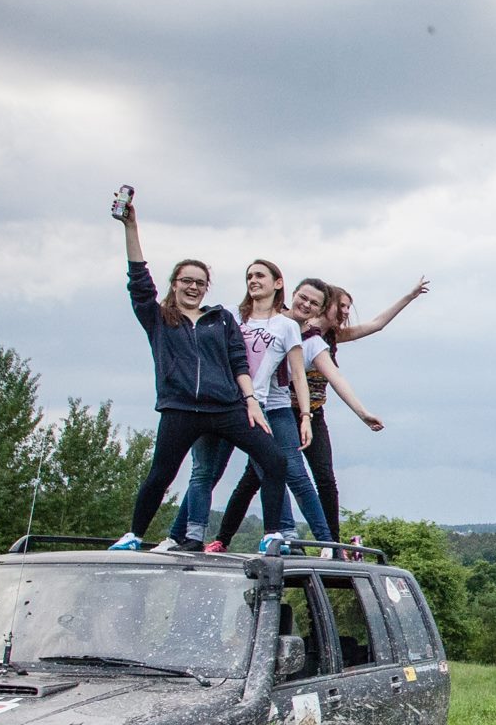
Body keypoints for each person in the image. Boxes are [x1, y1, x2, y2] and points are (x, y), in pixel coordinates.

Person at [112, 202, 287, 552]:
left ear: (207, 288)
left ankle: (273, 534)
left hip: (226, 406)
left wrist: (251, 401)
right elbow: (139, 283)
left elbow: (239, 362)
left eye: (200, 283)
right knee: (161, 475)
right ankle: (133, 535)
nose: (193, 287)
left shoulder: (220, 319)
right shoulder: (159, 318)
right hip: (180, 409)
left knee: (274, 459)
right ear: (174, 284)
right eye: (187, 281)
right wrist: (131, 228)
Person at [208, 279, 404, 551]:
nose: (346, 312)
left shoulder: (323, 339)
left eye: (349, 307)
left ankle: (328, 542)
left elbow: (342, 369)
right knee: (258, 475)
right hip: (274, 409)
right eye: (342, 306)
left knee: (315, 476)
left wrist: (361, 413)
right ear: (328, 307)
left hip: (310, 413)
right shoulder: (283, 325)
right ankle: (230, 538)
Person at [163, 258, 307, 551]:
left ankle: (283, 534)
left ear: (277, 283)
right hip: (219, 402)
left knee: (272, 464)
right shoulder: (228, 315)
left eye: (260, 275)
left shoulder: (286, 325)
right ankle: (185, 536)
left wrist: (304, 415)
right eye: (249, 276)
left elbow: (299, 375)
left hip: (254, 404)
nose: (253, 280)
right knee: (205, 471)